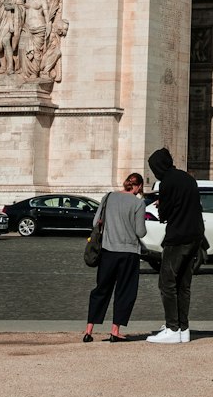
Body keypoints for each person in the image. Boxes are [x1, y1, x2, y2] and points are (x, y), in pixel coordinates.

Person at [146, 147, 204, 344]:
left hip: (177, 236)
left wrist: (161, 205)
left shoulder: (166, 183)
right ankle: (183, 327)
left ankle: (172, 328)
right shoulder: (188, 179)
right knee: (184, 284)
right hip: (195, 235)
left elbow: (165, 215)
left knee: (167, 283)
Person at [83, 173, 147, 343]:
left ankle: (89, 330)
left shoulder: (108, 197)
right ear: (139, 186)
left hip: (108, 251)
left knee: (101, 289)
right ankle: (115, 331)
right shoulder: (138, 203)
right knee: (124, 291)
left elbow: (96, 221)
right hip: (129, 253)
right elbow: (140, 232)